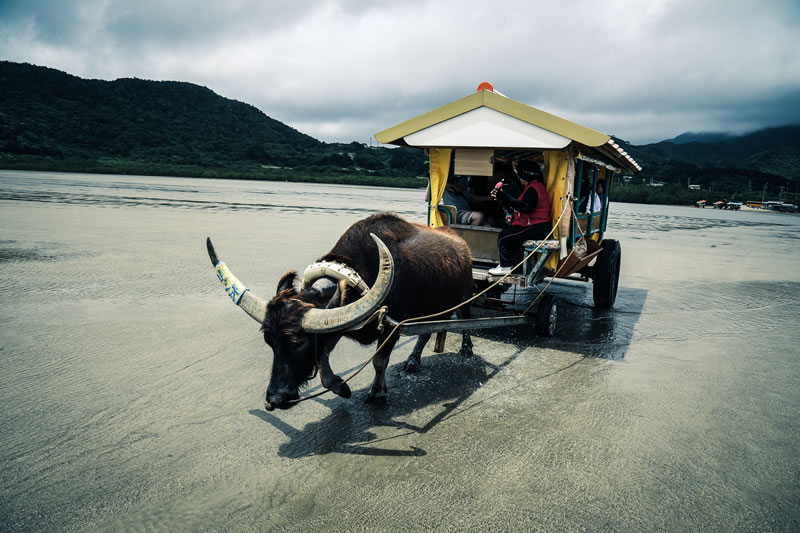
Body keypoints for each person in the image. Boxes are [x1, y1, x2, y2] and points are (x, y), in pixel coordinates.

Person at [488, 160, 552, 275]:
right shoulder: (536, 186)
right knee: (509, 232)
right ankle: (509, 264)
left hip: (535, 227)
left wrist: (504, 196)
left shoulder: (533, 188)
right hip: (537, 225)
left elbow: (526, 207)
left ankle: (505, 267)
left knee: (504, 236)